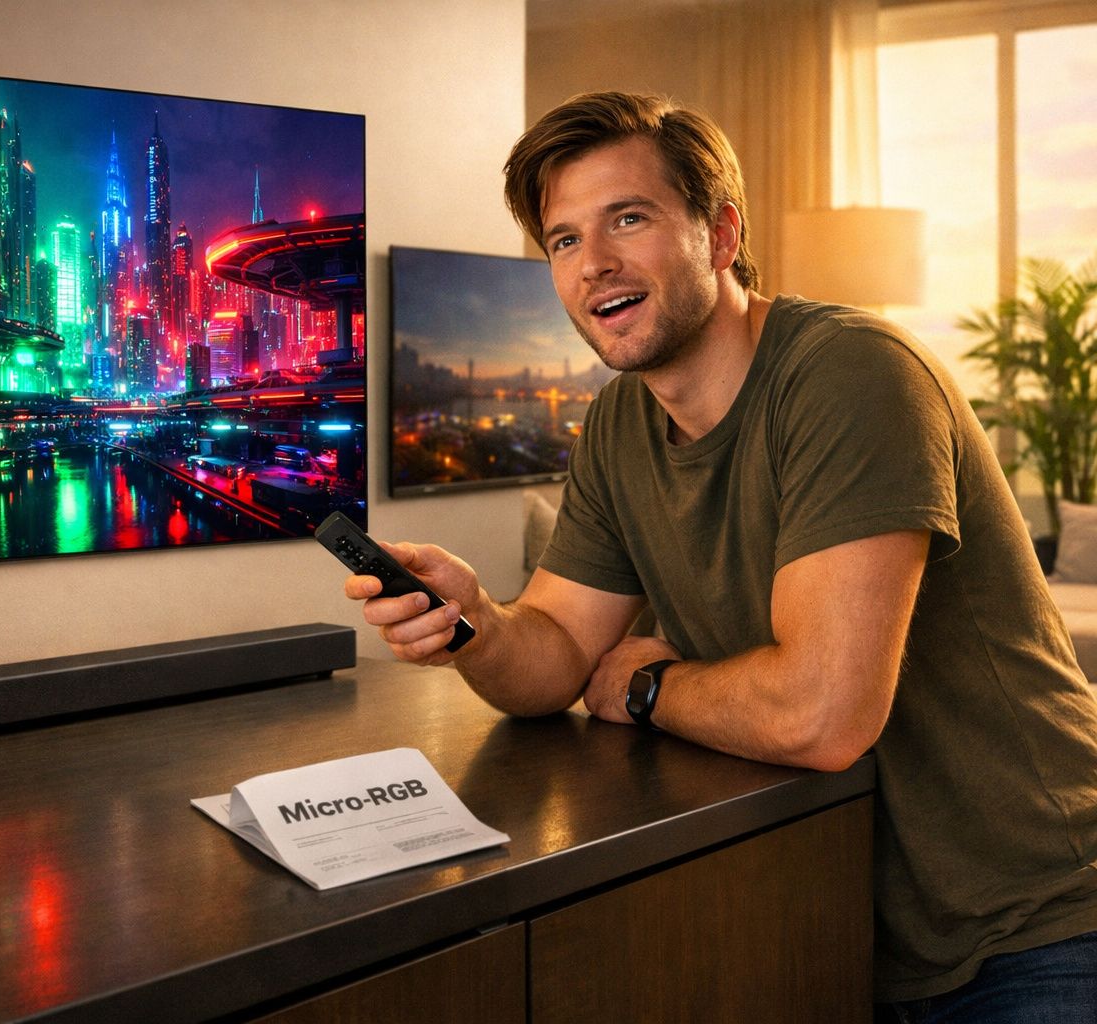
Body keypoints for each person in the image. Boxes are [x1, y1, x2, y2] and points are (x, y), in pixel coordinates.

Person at [344, 91, 1097, 1021]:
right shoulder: (618, 424)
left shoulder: (851, 374)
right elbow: (555, 655)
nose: (594, 262)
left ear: (722, 235)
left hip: (1038, 925)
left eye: (629, 218)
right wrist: (477, 625)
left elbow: (823, 715)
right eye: (565, 239)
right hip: (827, 918)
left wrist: (648, 686)